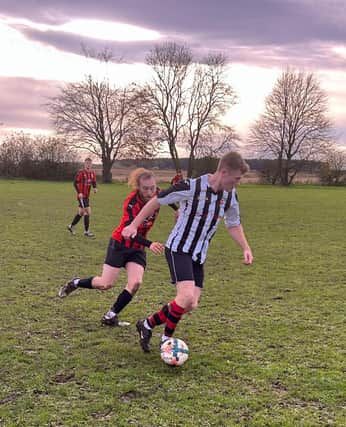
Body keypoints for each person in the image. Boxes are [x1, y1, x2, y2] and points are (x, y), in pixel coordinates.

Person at [122, 151, 254, 352]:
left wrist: (245, 247)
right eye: (236, 178)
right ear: (224, 172)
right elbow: (157, 200)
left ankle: (147, 324)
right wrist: (133, 225)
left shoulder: (230, 196)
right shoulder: (193, 186)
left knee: (190, 304)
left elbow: (233, 223)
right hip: (179, 249)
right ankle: (166, 341)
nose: (237, 183)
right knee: (184, 297)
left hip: (198, 254)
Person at [59, 168, 178, 327]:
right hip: (120, 244)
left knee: (135, 283)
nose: (150, 192)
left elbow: (168, 198)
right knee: (105, 284)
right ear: (138, 187)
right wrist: (150, 244)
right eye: (145, 189)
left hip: (137, 249)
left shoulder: (157, 193)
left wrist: (177, 210)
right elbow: (129, 231)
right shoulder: (131, 202)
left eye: (153, 188)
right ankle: (75, 283)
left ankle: (110, 316)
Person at [67, 157, 97, 237]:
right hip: (81, 196)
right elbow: (74, 183)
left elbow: (94, 182)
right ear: (84, 164)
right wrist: (79, 192)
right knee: (87, 212)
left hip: (87, 196)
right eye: (87, 163)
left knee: (80, 213)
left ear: (91, 164)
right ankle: (86, 232)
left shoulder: (92, 173)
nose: (88, 165)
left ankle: (71, 226)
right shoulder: (81, 172)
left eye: (89, 163)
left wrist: (94, 188)